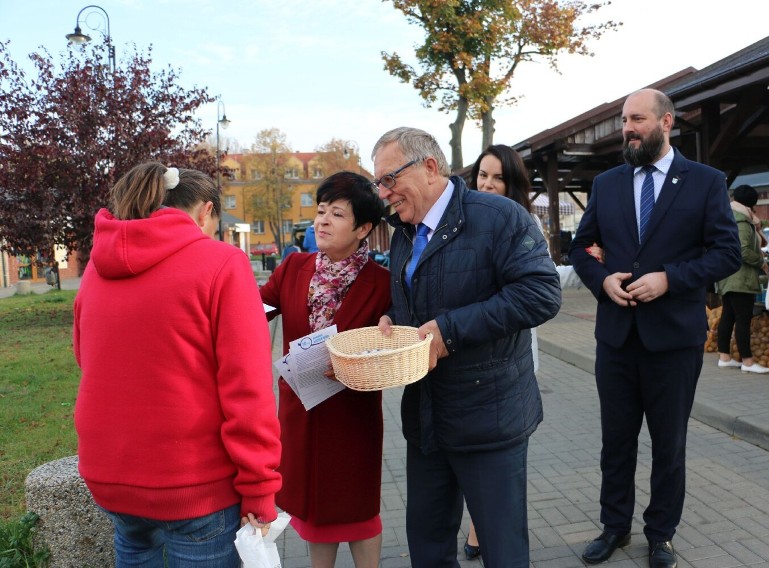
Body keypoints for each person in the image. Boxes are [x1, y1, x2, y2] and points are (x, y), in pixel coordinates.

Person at [73, 162, 281, 567]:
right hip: (195, 484)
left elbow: (87, 358)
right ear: (205, 212)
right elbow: (248, 389)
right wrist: (260, 486)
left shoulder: (96, 269)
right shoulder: (222, 263)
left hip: (111, 478)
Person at [372, 126, 562, 567]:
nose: (383, 194)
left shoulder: (499, 217)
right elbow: (421, 304)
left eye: (388, 180)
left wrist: (449, 331)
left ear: (430, 168)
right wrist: (394, 321)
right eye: (377, 183)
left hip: (489, 419)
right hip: (427, 420)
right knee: (428, 546)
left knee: (502, 551)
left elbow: (541, 294)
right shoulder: (404, 231)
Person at [568, 89, 740, 568]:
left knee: (670, 445)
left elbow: (727, 253)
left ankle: (661, 534)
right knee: (615, 442)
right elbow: (579, 249)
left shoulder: (705, 182)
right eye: (625, 119)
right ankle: (614, 528)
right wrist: (603, 282)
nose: (628, 128)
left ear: (667, 123)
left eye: (637, 119)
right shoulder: (607, 184)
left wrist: (670, 278)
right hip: (617, 338)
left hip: (673, 340)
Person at [463, 143, 600, 560]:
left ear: (513, 185)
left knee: (501, 456)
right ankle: (479, 524)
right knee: (467, 449)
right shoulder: (460, 220)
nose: (487, 184)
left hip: (512, 359)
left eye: (497, 177)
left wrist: (585, 268)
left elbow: (543, 279)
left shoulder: (521, 224)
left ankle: (480, 529)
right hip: (462, 355)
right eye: (482, 175)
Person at [259, 172, 389, 568]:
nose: (322, 221)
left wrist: (383, 334)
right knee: (313, 513)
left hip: (352, 415)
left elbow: (399, 332)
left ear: (363, 228)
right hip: (301, 411)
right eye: (320, 211)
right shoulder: (294, 268)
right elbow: (258, 308)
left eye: (336, 213)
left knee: (359, 511)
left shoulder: (381, 282)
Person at [716, 184, 769, 374]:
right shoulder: (742, 222)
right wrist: (761, 262)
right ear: (750, 204)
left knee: (728, 316)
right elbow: (743, 250)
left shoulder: (730, 217)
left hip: (727, 276)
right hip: (740, 278)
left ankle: (724, 357)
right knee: (742, 319)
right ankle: (747, 361)